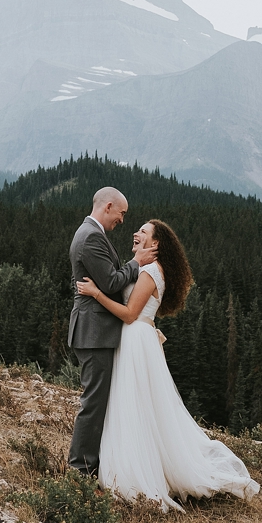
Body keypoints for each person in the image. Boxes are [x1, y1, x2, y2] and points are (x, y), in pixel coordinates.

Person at [76, 219, 259, 512]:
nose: (135, 233)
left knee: (134, 406)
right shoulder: (146, 268)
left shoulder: (150, 271)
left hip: (135, 339)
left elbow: (128, 313)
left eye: (143, 232)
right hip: (137, 339)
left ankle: (135, 475)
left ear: (156, 243)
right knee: (135, 406)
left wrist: (96, 294)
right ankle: (129, 467)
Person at [67, 187, 157, 477]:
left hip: (97, 330)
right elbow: (110, 282)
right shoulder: (91, 236)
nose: (122, 220)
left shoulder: (90, 233)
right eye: (122, 214)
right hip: (94, 331)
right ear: (108, 207)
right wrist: (136, 263)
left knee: (99, 399)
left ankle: (92, 463)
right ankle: (80, 469)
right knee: (94, 401)